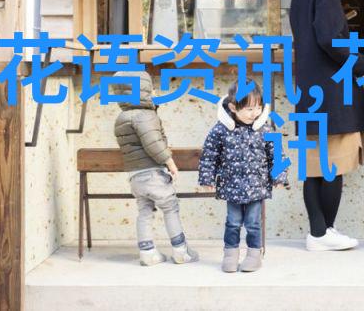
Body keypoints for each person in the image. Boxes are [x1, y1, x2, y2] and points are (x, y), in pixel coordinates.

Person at [289, 0, 364, 252]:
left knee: (313, 168)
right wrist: (360, 63)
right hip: (332, 91)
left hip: (309, 92)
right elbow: (330, 40)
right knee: (332, 166)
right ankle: (324, 232)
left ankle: (318, 232)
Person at [198, 81, 288, 273]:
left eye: (258, 108)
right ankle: (230, 255)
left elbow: (277, 154)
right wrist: (207, 178)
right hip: (231, 187)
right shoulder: (221, 129)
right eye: (249, 109)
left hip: (257, 186)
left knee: (253, 223)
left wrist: (279, 176)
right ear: (233, 107)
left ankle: (254, 255)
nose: (254, 113)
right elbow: (209, 155)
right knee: (232, 223)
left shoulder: (265, 129)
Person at [113, 71, 199, 266]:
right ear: (142, 92)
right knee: (170, 207)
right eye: (150, 89)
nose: (154, 92)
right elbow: (153, 143)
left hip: (135, 176)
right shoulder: (144, 116)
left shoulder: (121, 118)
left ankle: (147, 253)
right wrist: (169, 162)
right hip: (152, 173)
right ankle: (181, 251)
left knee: (144, 212)